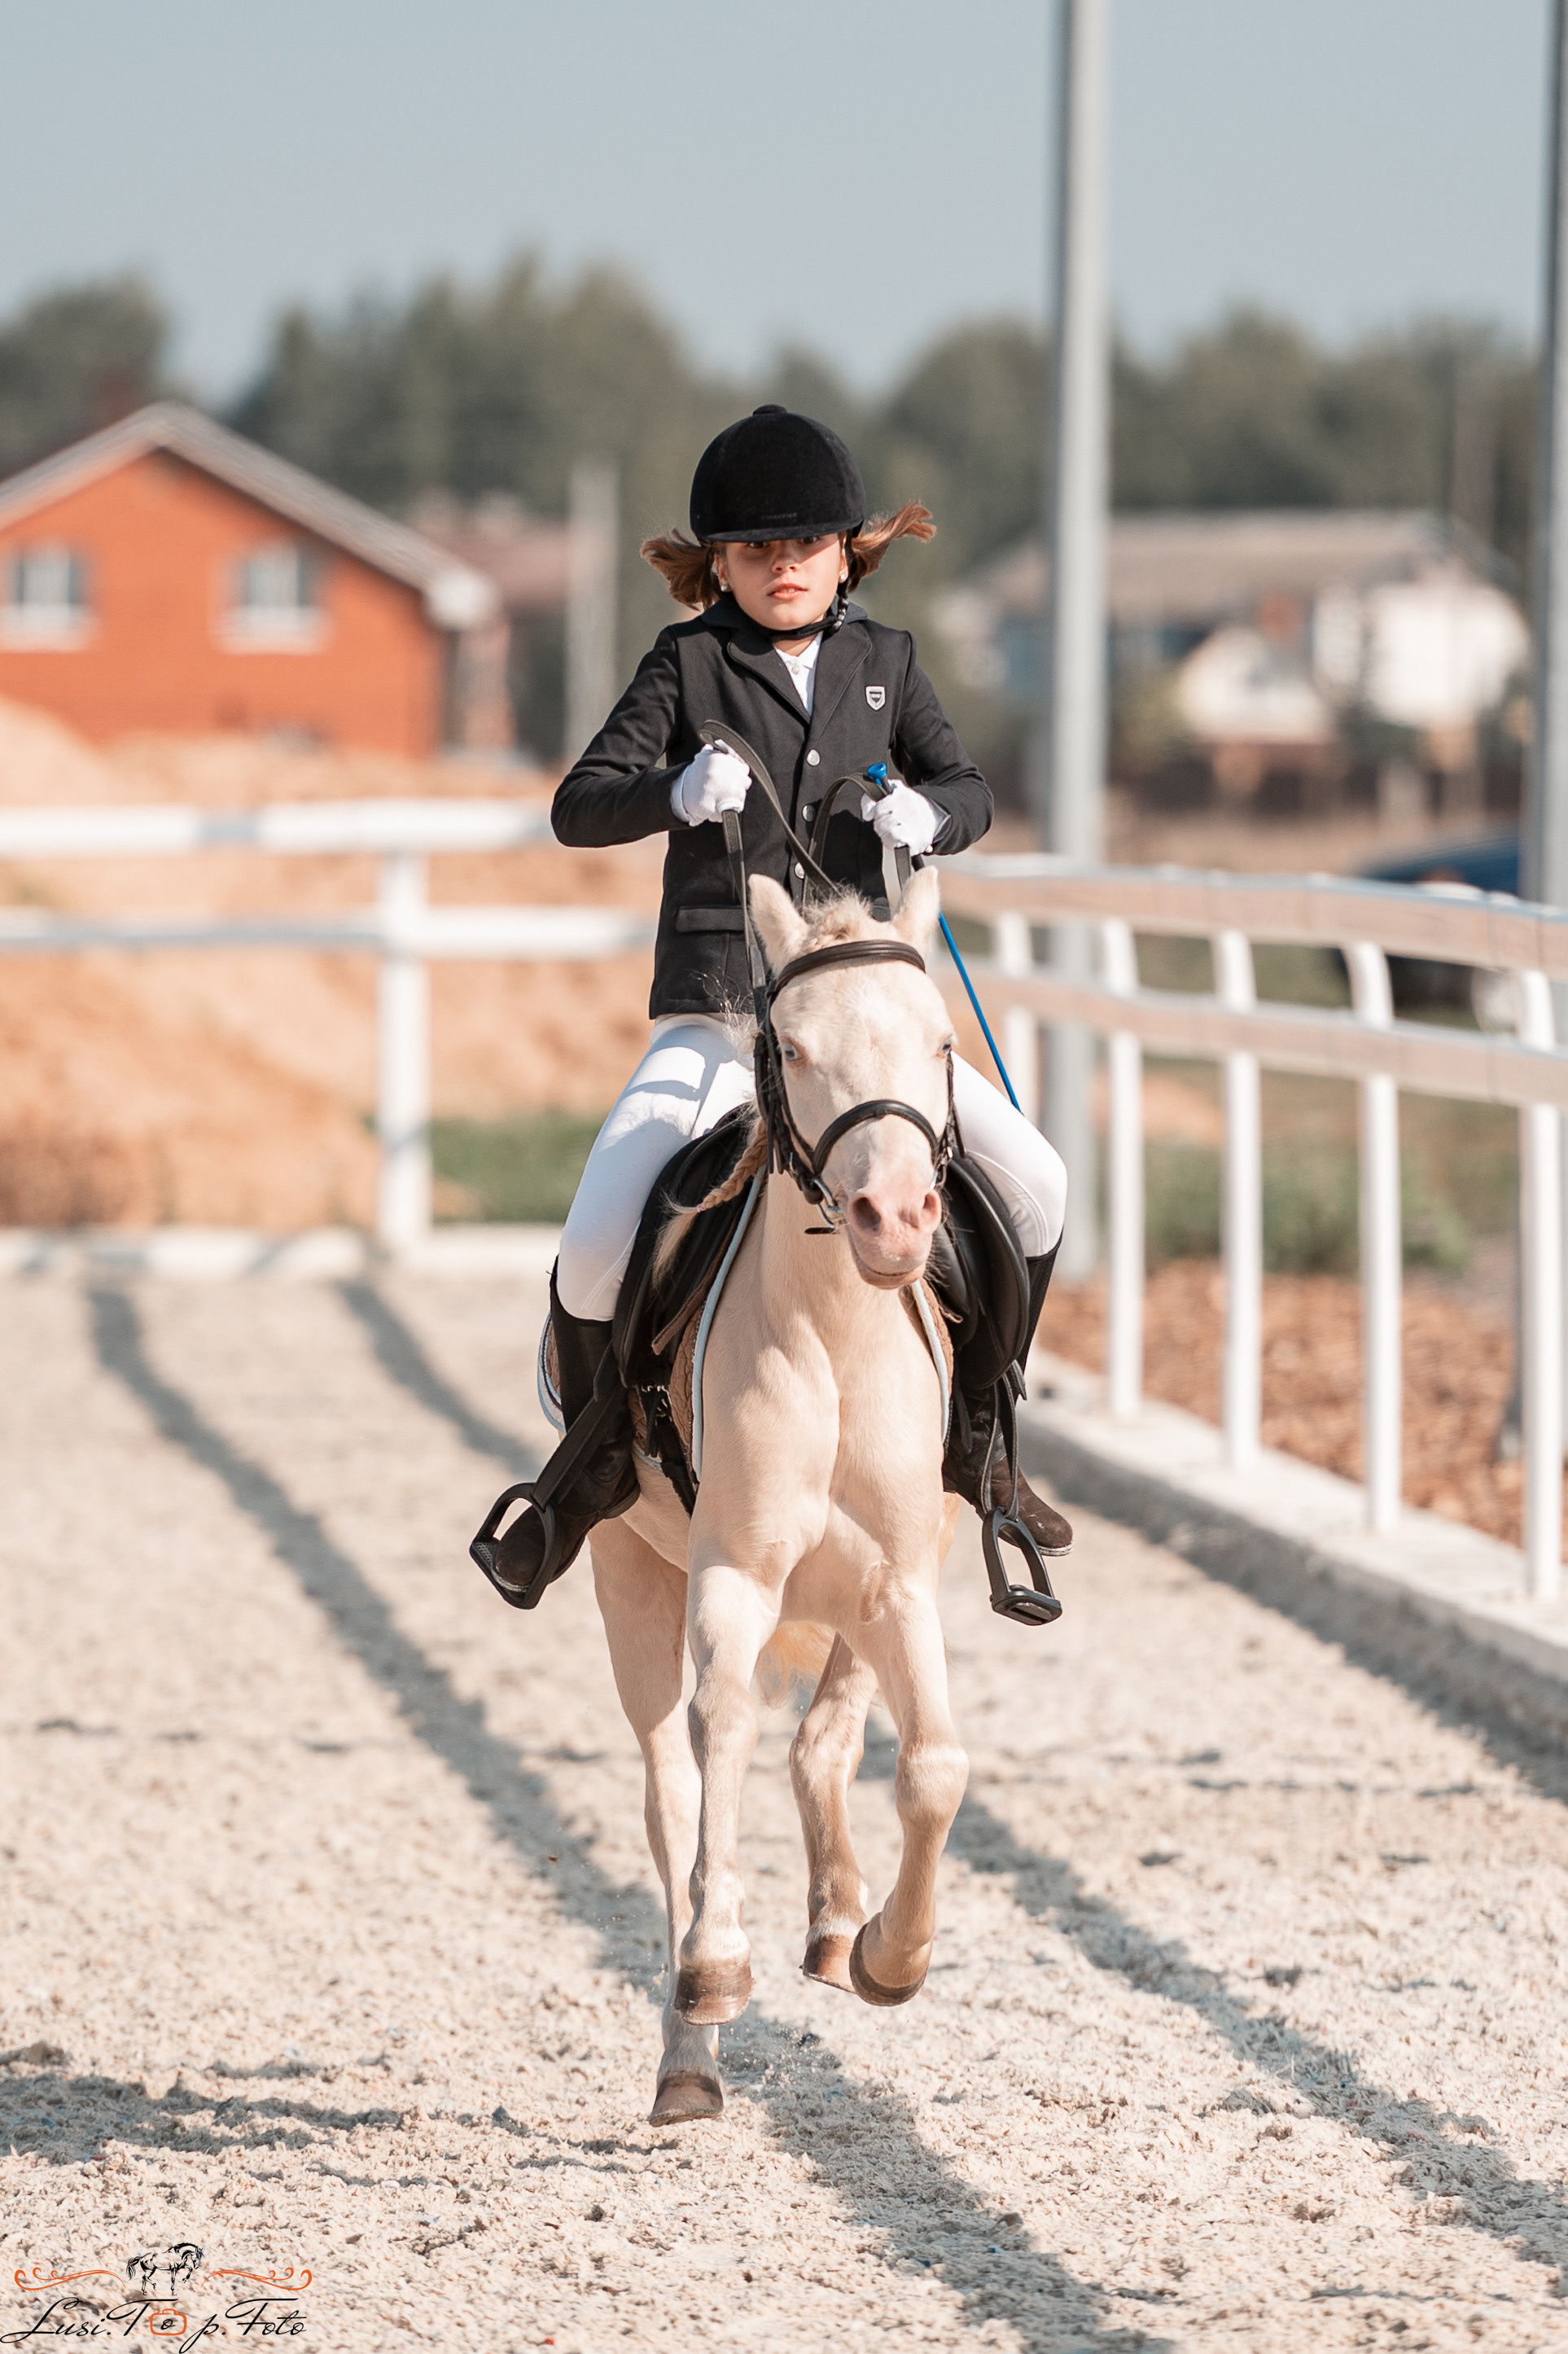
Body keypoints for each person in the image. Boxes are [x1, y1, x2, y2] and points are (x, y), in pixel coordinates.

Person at [493, 403, 1069, 1600]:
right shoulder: (686, 666)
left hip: (861, 1030)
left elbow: (965, 785)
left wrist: (933, 816)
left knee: (1036, 1182)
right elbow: (576, 804)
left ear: (843, 553)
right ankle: (589, 1467)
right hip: (721, 1013)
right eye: (757, 552)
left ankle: (985, 1436)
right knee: (600, 1235)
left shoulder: (888, 663)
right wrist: (671, 787)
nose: (784, 567)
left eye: (805, 545)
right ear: (720, 566)